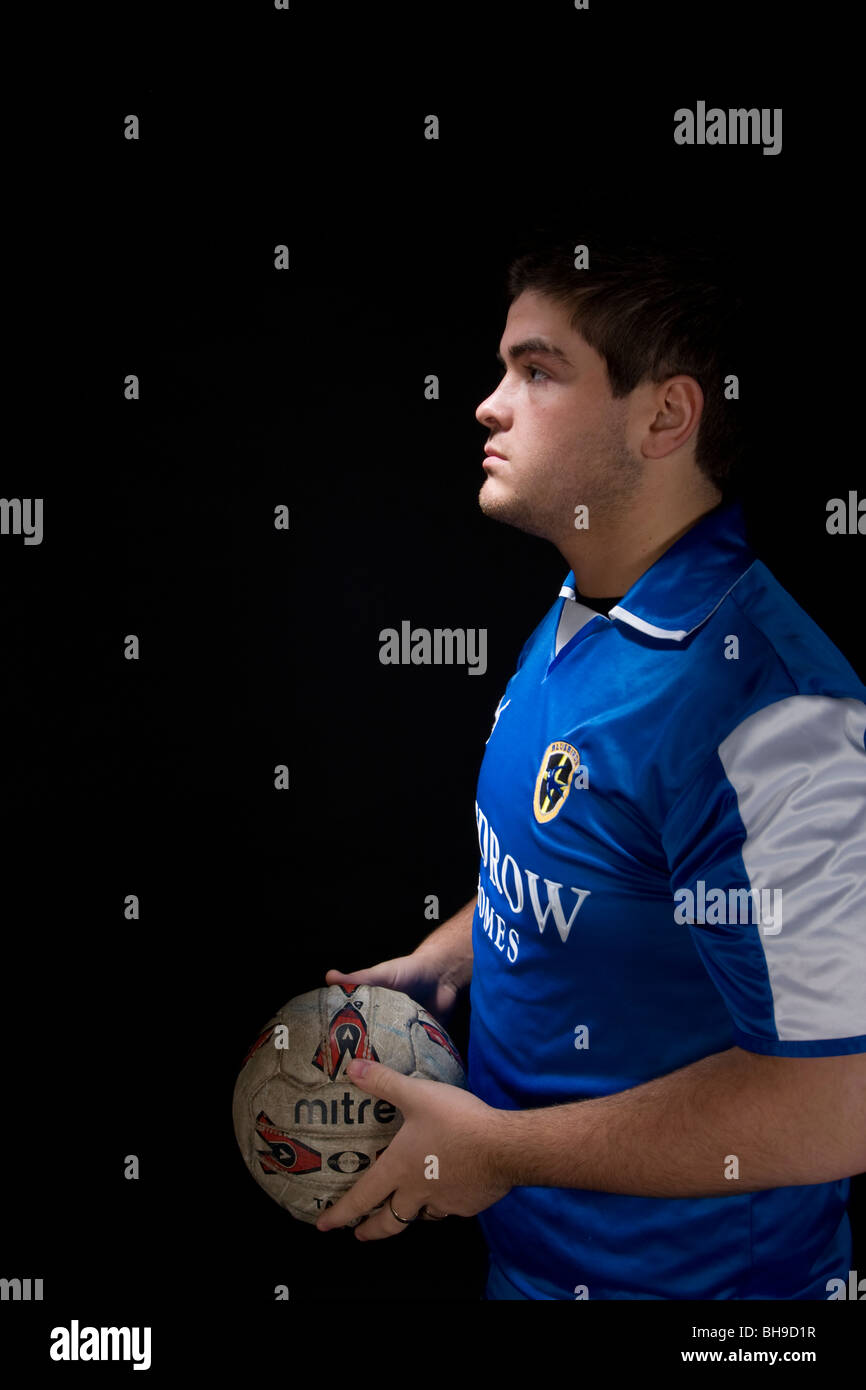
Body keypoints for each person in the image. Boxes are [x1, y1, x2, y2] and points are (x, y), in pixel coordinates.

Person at [316, 234, 866, 1300]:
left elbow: (834, 1101)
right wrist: (444, 962)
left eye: (535, 370)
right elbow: (601, 882)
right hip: (524, 1273)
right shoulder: (584, 608)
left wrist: (501, 1150)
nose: (487, 403)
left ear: (664, 416)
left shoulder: (774, 714)